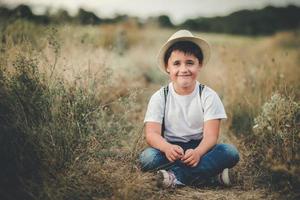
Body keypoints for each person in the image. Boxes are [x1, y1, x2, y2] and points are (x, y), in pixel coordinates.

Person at [139, 30, 239, 188]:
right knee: (148, 157)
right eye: (177, 63)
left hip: (201, 150)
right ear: (167, 67)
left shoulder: (208, 96)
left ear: (199, 65)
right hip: (171, 150)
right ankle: (211, 177)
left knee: (230, 152)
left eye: (190, 63)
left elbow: (211, 136)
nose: (183, 69)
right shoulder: (160, 97)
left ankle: (175, 177)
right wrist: (166, 147)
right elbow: (151, 134)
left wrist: (198, 153)